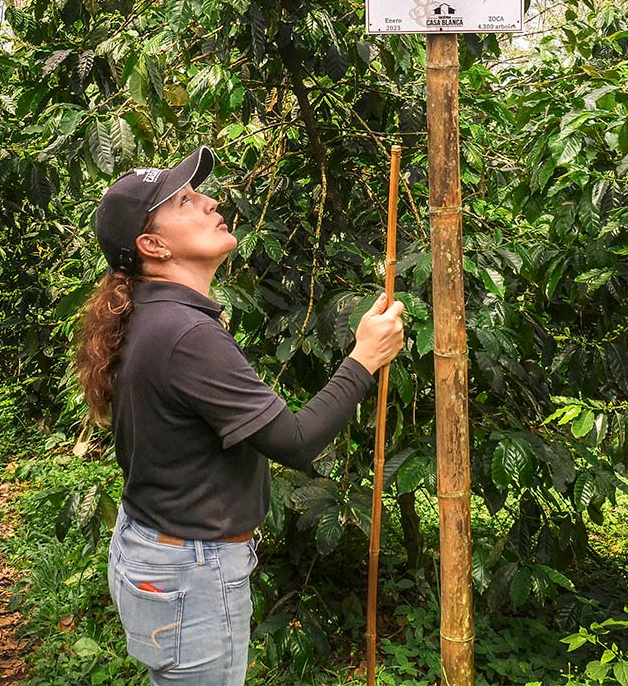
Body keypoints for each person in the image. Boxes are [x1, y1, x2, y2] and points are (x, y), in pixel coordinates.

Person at [76, 145, 404, 686]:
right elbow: (295, 442)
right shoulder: (185, 334)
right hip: (190, 572)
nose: (208, 202)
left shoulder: (157, 313)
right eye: (184, 201)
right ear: (153, 245)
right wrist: (364, 358)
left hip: (158, 549)